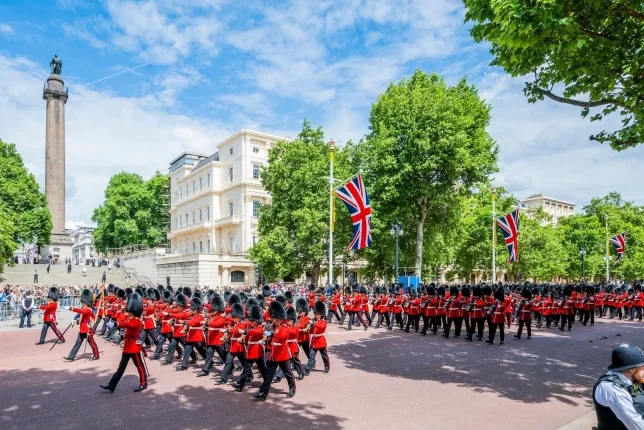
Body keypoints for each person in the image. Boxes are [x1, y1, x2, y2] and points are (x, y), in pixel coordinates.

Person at [100, 292, 148, 393]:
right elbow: (125, 324)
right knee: (121, 368)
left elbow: (128, 325)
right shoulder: (130, 318)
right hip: (127, 347)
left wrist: (115, 324)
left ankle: (143, 383)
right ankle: (111, 385)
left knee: (139, 366)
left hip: (134, 347)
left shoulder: (136, 321)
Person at [593, 344, 644, 430]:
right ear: (631, 369)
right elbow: (636, 425)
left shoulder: (631, 379)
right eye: (643, 367)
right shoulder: (612, 389)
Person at [63, 289, 99, 361]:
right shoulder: (85, 309)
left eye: (83, 302)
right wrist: (75, 322)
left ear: (87, 303)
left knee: (92, 343)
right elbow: (81, 320)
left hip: (87, 330)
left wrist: (71, 308)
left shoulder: (88, 310)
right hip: (82, 330)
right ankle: (71, 356)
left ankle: (96, 355)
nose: (82, 303)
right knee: (77, 343)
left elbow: (81, 311)